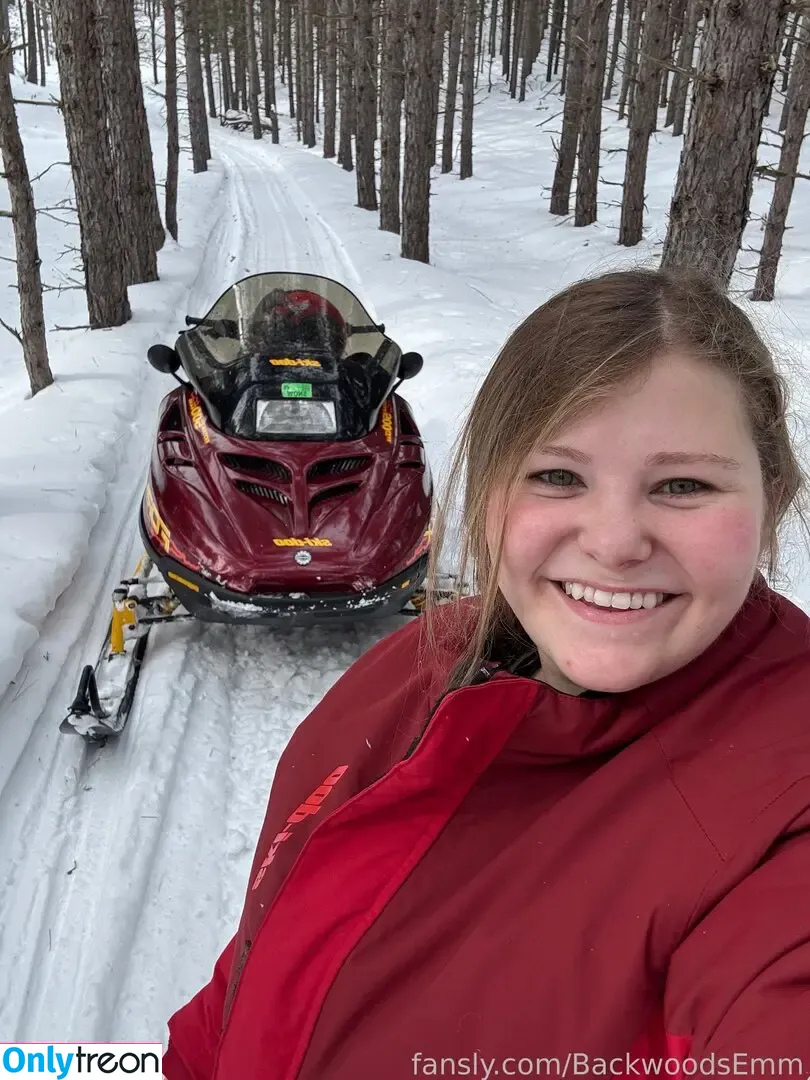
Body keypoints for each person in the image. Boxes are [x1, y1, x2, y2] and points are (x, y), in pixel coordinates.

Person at [163, 268, 810, 1080]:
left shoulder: (785, 814)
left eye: (684, 485)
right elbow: (262, 965)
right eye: (557, 476)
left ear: (772, 495)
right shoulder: (424, 660)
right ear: (492, 486)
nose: (614, 543)